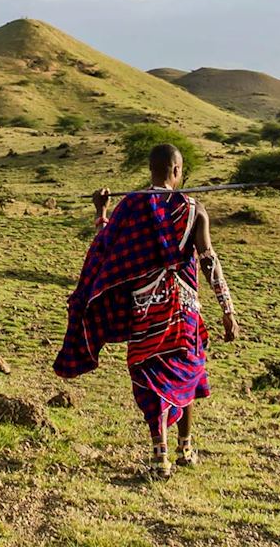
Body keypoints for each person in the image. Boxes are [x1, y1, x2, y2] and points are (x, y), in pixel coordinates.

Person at [55, 143, 239, 478]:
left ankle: (161, 455)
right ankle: (185, 448)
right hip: (185, 310)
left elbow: (106, 249)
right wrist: (227, 308)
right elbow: (209, 260)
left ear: (151, 169)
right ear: (177, 171)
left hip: (146, 310)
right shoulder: (195, 209)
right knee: (187, 374)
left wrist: (102, 210)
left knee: (149, 376)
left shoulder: (131, 206)